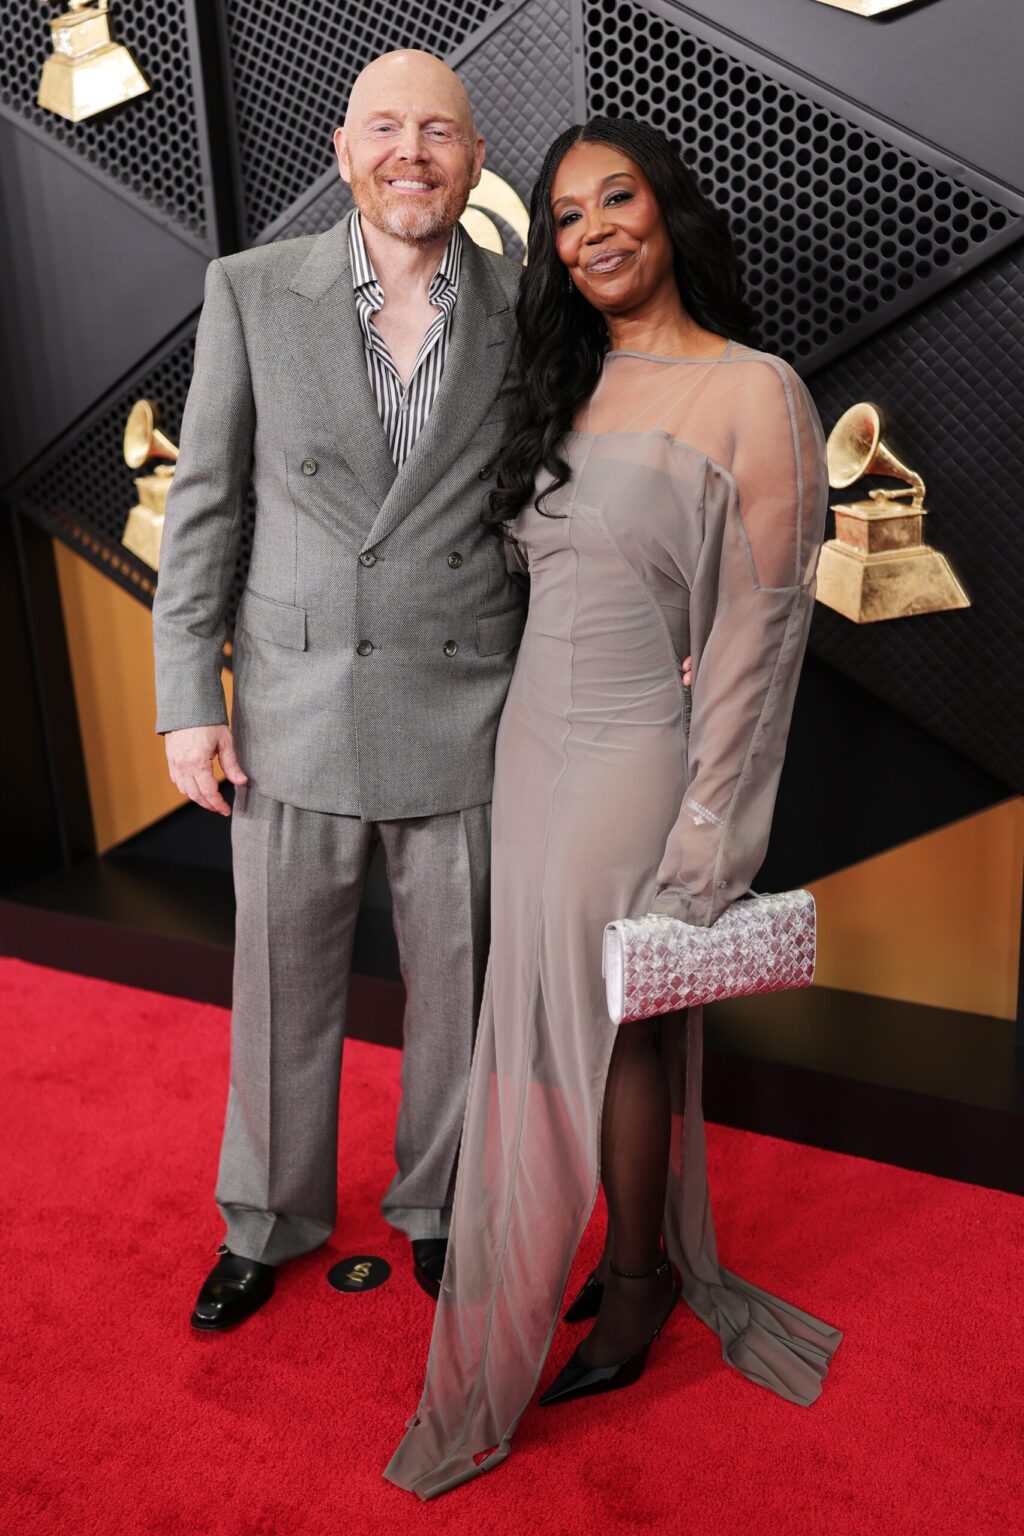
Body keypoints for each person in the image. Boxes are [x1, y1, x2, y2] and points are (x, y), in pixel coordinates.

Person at [385, 117, 842, 1500]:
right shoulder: (566, 379)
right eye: (566, 215)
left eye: (616, 198)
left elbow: (760, 638)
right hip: (531, 748)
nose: (593, 232)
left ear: (668, 208)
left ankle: (637, 1281)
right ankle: (613, 1254)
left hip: (637, 759)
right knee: (550, 1020)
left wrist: (709, 840)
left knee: (618, 1024)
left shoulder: (755, 390)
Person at [152, 51, 528, 1326]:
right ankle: (266, 1218)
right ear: (343, 149)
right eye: (385, 128)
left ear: (474, 159)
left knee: (460, 993)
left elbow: (558, 498)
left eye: (438, 131)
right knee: (279, 991)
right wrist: (187, 697)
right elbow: (205, 504)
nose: (410, 152)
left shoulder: (527, 301)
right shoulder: (252, 289)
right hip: (291, 704)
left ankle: (441, 1209)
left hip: (467, 698)